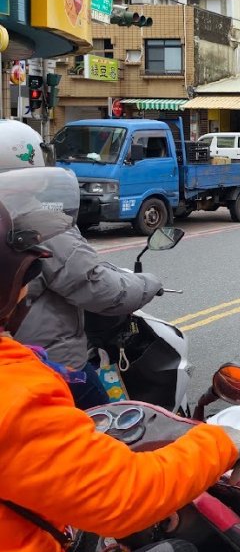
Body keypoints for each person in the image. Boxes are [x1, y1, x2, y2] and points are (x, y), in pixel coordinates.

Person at [0, 166, 240, 552]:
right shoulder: (18, 393)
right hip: (65, 359)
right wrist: (221, 442)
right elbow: (123, 494)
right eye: (27, 274)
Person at [0, 121, 163, 410]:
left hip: (10, 363)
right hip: (50, 363)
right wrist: (149, 283)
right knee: (113, 434)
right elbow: (99, 289)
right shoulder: (35, 222)